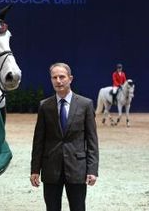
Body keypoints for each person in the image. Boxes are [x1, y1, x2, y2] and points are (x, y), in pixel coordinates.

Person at [30, 62, 99, 211]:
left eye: (62, 77)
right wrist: (35, 169)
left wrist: (92, 170)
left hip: (77, 168)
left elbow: (92, 141)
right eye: (54, 77)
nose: (58, 81)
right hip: (50, 169)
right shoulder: (44, 106)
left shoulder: (86, 104)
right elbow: (38, 141)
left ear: (70, 78)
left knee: (78, 208)